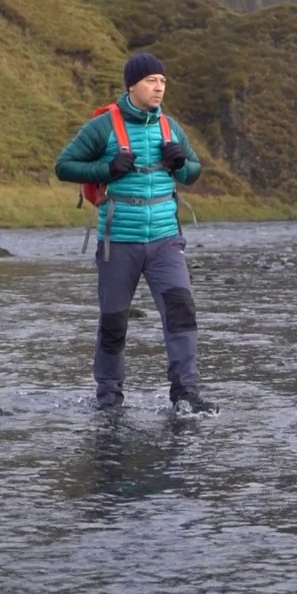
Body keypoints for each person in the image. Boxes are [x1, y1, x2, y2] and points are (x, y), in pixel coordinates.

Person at [55, 52, 217, 415]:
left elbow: (193, 172)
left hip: (165, 240)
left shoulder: (170, 126)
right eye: (151, 81)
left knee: (181, 314)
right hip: (119, 241)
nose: (159, 87)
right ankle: (109, 400)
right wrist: (106, 168)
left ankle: (186, 395)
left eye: (162, 81)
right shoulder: (102, 127)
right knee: (114, 322)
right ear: (132, 85)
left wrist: (182, 163)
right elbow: (64, 166)